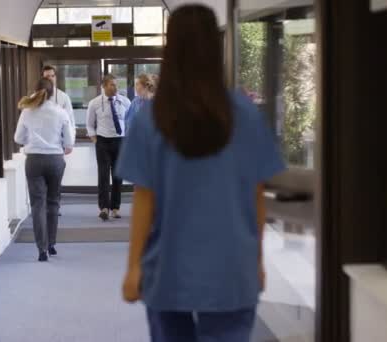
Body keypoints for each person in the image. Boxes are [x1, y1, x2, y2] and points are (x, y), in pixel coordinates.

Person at [116, 5, 285, 342]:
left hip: (169, 267)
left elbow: (144, 201)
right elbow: (256, 197)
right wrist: (257, 260)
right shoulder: (246, 115)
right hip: (232, 268)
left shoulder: (152, 119)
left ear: (170, 48)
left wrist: (134, 267)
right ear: (216, 47)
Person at [14, 78, 74, 262]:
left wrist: (32, 140)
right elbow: (69, 142)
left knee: (38, 204)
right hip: (55, 160)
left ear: (35, 91)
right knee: (53, 202)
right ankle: (52, 244)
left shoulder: (27, 111)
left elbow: (18, 138)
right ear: (52, 92)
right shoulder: (60, 112)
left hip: (34, 160)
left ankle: (41, 249)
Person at [86, 74, 131, 221]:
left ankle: (115, 208)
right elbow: (89, 124)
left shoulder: (125, 101)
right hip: (103, 142)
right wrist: (95, 140)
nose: (115, 87)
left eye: (116, 84)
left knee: (118, 176)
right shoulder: (95, 103)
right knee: (103, 175)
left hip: (120, 141)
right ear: (104, 86)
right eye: (112, 84)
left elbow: (130, 121)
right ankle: (104, 208)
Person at [42, 65, 76, 142]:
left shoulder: (64, 97)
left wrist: (71, 141)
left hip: (58, 141)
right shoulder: (35, 97)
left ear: (56, 77)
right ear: (42, 78)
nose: (50, 78)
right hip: (40, 141)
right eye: (47, 76)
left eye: (52, 76)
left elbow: (70, 120)